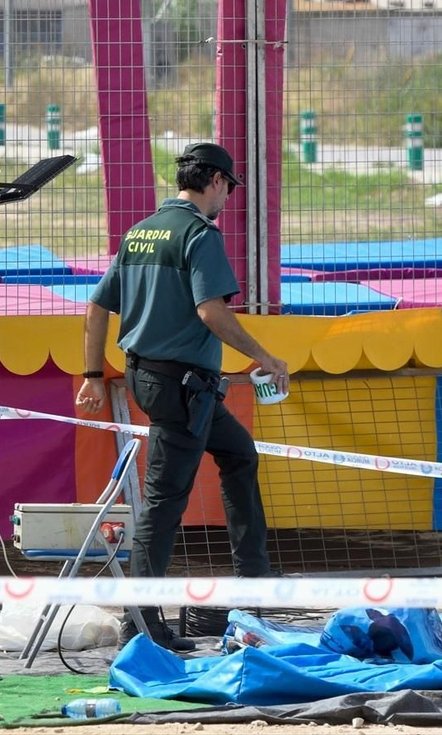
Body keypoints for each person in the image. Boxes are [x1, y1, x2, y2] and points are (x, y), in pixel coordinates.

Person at [78, 142, 291, 654]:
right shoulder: (199, 234)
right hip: (181, 388)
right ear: (215, 181)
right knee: (162, 504)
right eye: (229, 188)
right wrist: (266, 357)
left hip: (156, 380)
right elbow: (211, 312)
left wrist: (92, 375)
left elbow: (96, 307)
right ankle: (141, 624)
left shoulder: (140, 232)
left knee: (239, 455)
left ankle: (252, 593)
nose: (227, 199)